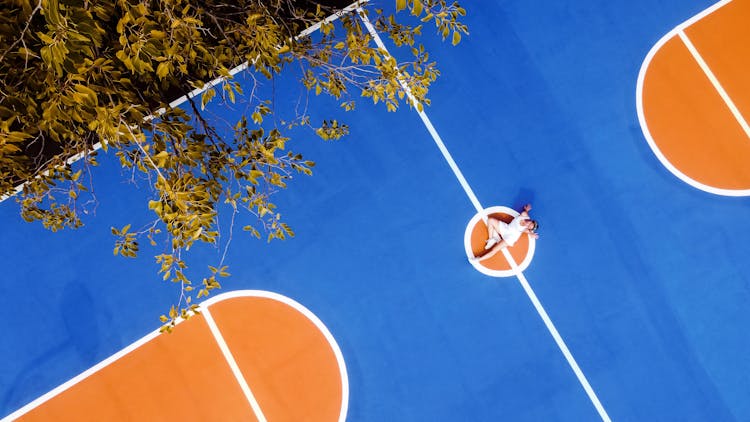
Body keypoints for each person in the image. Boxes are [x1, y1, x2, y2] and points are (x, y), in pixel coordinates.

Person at [470, 203, 539, 262]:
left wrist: (532, 234)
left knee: (494, 250)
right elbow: (526, 211)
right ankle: (491, 239)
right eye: (530, 223)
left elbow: (529, 232)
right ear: (530, 220)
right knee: (490, 220)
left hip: (510, 238)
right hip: (506, 228)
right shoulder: (524, 215)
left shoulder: (525, 229)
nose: (528, 225)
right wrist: (527, 209)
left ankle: (478, 259)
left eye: (529, 227)